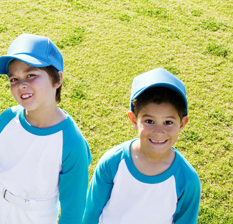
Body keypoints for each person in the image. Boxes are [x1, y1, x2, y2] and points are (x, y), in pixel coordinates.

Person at [0, 34, 91, 224]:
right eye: (13, 79)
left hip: (35, 216)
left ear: (57, 79)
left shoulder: (71, 143)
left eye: (31, 75)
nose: (21, 85)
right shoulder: (7, 119)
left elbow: (73, 210)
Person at [83, 68, 201, 224]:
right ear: (133, 120)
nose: (159, 132)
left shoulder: (187, 179)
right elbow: (91, 211)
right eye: (149, 121)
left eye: (168, 122)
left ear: (182, 124)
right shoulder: (113, 162)